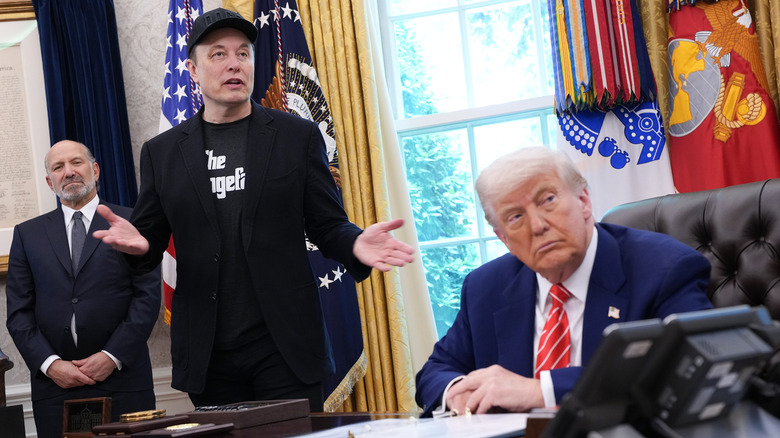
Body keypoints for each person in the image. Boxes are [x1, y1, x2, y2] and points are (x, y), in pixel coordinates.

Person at [93, 8, 414, 411]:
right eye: (219, 54)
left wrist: (354, 244)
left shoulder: (295, 136)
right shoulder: (163, 153)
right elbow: (150, 239)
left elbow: (327, 224)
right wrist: (139, 249)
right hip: (210, 355)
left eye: (243, 53)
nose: (234, 64)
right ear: (192, 69)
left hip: (286, 346)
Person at [415, 147, 713, 417]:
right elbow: (436, 371)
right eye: (515, 217)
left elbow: (691, 367)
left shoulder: (664, 268)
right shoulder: (485, 288)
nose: (538, 225)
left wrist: (541, 390)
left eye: (548, 200)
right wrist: (457, 391)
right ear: (503, 239)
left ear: (584, 201)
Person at [5, 140, 161, 438]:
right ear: (50, 182)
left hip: (123, 379)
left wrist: (111, 356)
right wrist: (51, 366)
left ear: (95, 169)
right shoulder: (27, 235)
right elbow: (19, 313)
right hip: (56, 387)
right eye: (58, 167)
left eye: (76, 162)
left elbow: (147, 298)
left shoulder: (131, 222)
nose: (69, 172)